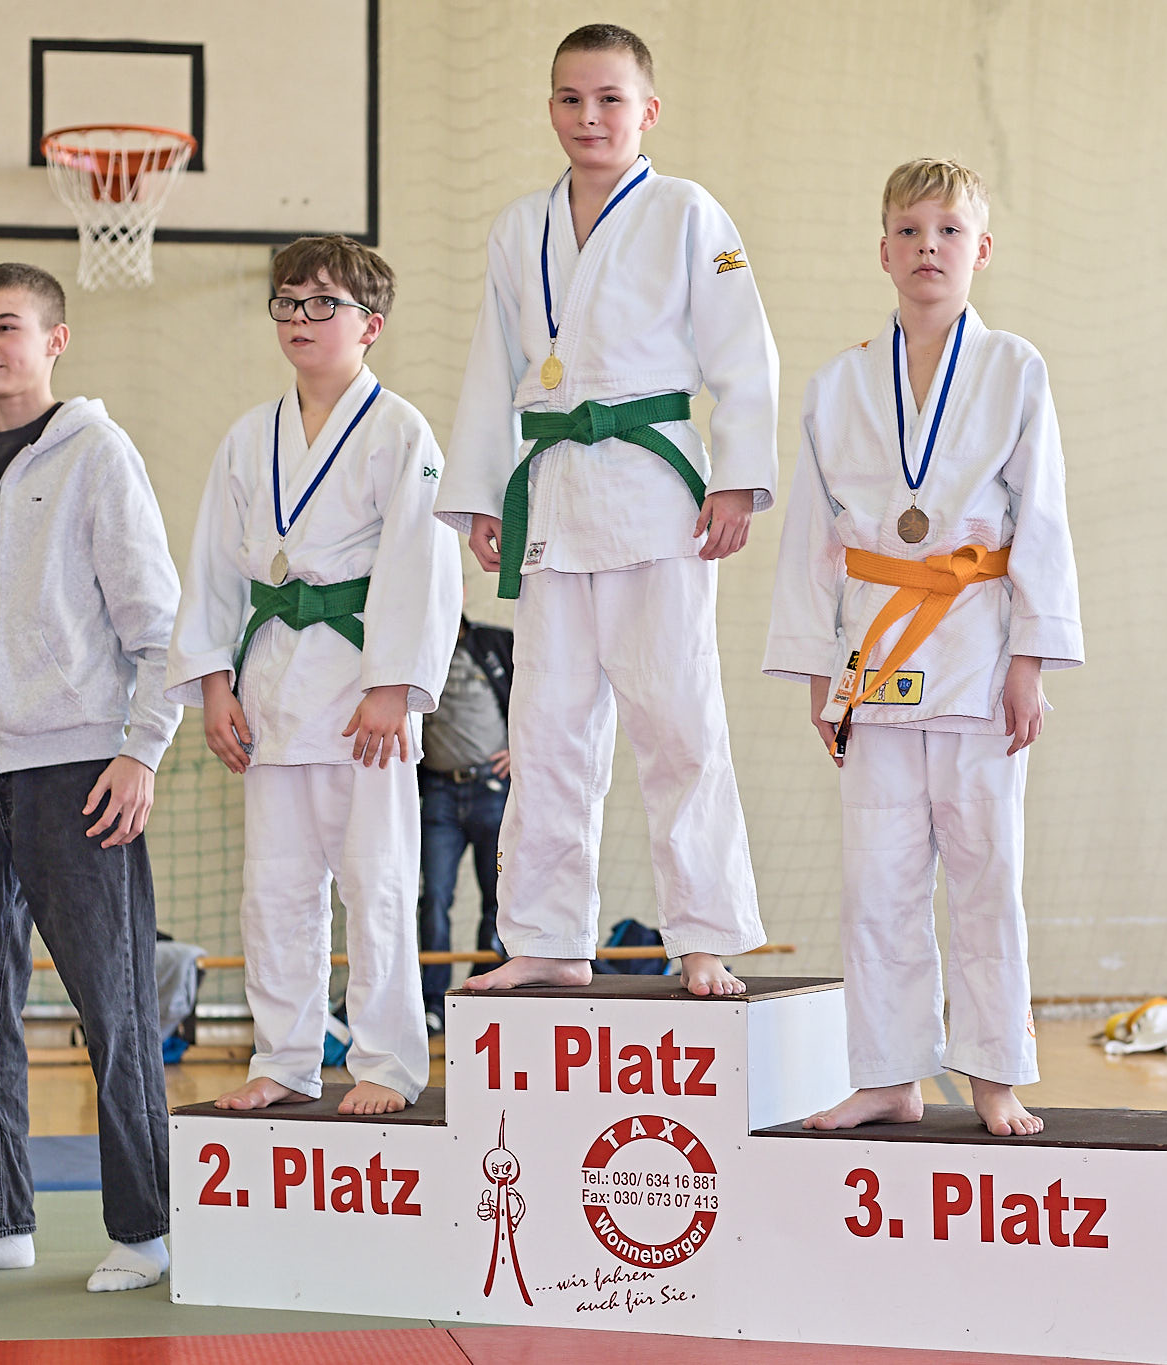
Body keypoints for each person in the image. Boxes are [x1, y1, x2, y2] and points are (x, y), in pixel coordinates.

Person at [436, 24, 774, 997]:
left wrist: (736, 476)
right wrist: (481, 493)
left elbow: (743, 352)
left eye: (609, 99)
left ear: (647, 111)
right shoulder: (519, 228)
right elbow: (491, 368)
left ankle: (703, 935)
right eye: (571, 99)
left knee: (678, 722)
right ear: (550, 107)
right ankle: (546, 935)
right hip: (552, 497)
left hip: (655, 494)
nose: (589, 116)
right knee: (546, 730)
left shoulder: (686, 212)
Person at [763, 159, 1082, 1137]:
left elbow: (1041, 518)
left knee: (986, 875)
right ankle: (888, 1075)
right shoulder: (837, 383)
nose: (927, 248)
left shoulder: (1014, 368)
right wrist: (815, 671)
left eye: (948, 231)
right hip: (874, 659)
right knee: (878, 881)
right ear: (882, 251)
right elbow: (810, 534)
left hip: (978, 652)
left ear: (981, 249)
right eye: (908, 231)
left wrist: (1030, 658)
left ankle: (994, 1072)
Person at [0, 263, 179, 1291]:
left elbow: (159, 626)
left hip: (80, 772)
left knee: (112, 1005)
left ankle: (147, 1229)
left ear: (55, 340)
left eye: (7, 327)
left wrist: (140, 751)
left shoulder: (99, 455)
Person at [168, 236, 462, 1117]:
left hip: (361, 689)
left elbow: (423, 563)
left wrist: (392, 686)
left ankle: (388, 1062)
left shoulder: (400, 430)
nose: (301, 318)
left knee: (377, 883)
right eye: (288, 302)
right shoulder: (246, 436)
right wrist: (213, 682)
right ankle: (286, 1057)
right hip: (270, 687)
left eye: (323, 303)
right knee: (275, 889)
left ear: (371, 324)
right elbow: (215, 567)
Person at [418, 616, 513, 1030]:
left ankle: (482, 993)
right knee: (434, 897)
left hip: (491, 790)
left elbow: (539, 699)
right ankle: (432, 1003)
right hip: (439, 794)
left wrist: (521, 748)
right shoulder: (413, 652)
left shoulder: (496, 643)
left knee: (498, 898)